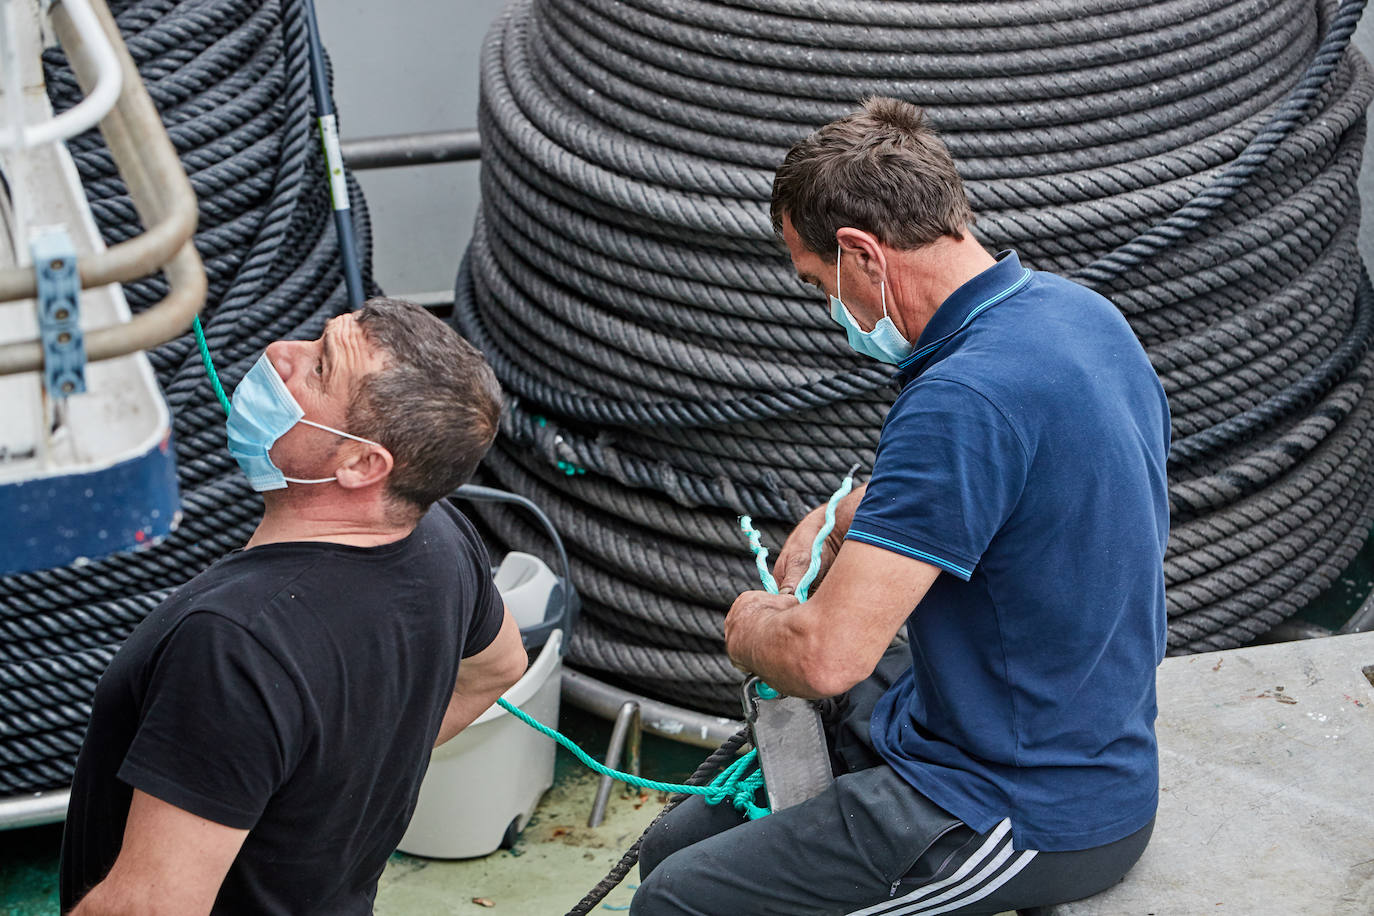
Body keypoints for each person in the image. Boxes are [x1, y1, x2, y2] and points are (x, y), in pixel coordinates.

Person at [632, 98, 1170, 915]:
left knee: (677, 899)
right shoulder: (1074, 318)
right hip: (1032, 722)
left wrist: (750, 626)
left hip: (1022, 805)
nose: (831, 311)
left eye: (819, 283)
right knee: (671, 841)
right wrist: (845, 510)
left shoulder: (960, 397)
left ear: (861, 253)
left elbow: (825, 659)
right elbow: (1006, 475)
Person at [59, 298, 528, 915]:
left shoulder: (232, 643)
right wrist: (328, 792)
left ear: (362, 463)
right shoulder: (441, 537)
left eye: (320, 368)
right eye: (316, 339)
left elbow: (151, 907)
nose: (281, 352)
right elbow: (498, 667)